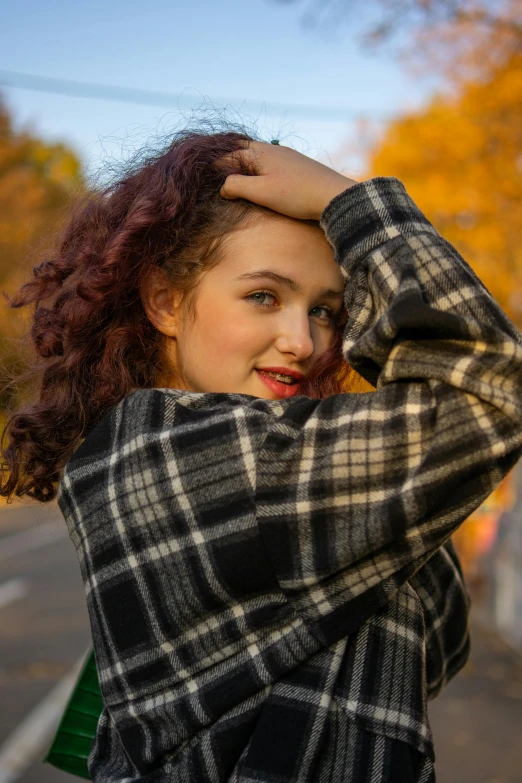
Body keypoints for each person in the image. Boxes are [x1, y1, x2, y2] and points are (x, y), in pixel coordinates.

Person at [2, 123, 522, 783]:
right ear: (166, 298)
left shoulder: (274, 454)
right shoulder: (161, 451)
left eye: (328, 311)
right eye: (264, 297)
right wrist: (350, 201)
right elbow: (488, 397)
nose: (303, 341)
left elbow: (440, 639)